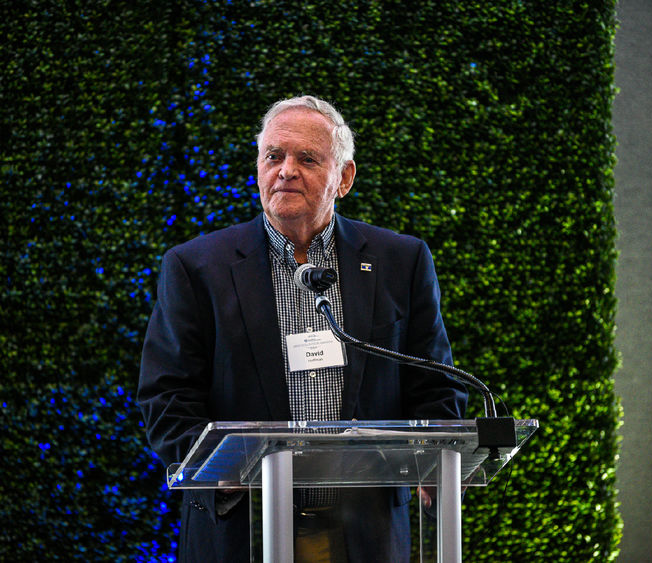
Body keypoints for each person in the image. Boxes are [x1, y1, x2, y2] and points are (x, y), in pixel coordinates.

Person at [138, 95, 467, 562]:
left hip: (366, 533)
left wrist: (435, 462)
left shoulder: (401, 261)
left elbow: (436, 384)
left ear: (344, 178)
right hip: (241, 529)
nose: (286, 170)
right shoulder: (196, 268)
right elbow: (165, 397)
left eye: (307, 158)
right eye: (274, 156)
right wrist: (226, 475)